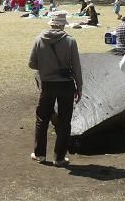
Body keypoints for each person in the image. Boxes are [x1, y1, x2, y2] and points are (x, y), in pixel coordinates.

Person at [28, 11, 83, 166]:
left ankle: (40, 155)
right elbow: (77, 67)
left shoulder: (39, 39)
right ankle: (59, 157)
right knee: (65, 121)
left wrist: (45, 67)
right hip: (66, 85)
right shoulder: (70, 41)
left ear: (51, 23)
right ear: (62, 25)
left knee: (42, 119)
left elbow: (31, 64)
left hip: (47, 84)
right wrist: (79, 87)